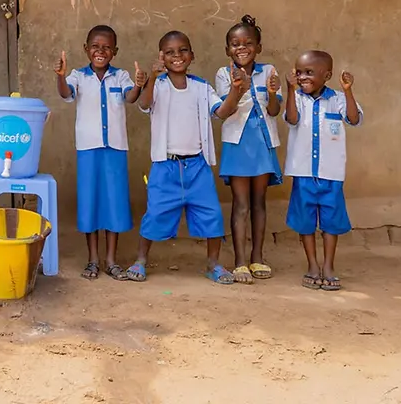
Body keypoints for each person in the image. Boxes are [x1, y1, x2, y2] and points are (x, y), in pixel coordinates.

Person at [125, 30, 247, 284]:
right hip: (166, 165)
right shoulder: (157, 85)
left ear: (192, 55)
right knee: (155, 213)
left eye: (182, 50)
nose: (177, 56)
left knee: (211, 214)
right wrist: (152, 77)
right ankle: (140, 260)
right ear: (161, 57)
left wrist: (235, 92)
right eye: (169, 52)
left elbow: (222, 111)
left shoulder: (202, 87)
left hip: (197, 165)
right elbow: (145, 104)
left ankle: (213, 264)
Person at [55, 25, 146, 280]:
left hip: (115, 148)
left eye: (107, 47)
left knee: (114, 202)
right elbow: (65, 93)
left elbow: (130, 97)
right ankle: (93, 259)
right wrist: (60, 76)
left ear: (114, 51)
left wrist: (139, 85)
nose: (100, 51)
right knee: (90, 202)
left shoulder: (122, 76)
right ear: (86, 49)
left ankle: (111, 260)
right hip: (88, 149)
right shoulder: (77, 76)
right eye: (95, 46)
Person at [283, 50, 362, 291]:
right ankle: (312, 265)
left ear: (326, 75)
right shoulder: (296, 98)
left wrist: (348, 91)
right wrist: (289, 89)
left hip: (331, 174)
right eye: (299, 73)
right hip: (304, 173)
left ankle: (329, 266)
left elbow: (354, 118)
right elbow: (293, 119)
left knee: (330, 223)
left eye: (309, 73)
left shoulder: (337, 99)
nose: (303, 77)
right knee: (306, 223)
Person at [215, 15, 283, 284]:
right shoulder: (223, 73)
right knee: (240, 204)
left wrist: (275, 92)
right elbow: (225, 110)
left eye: (248, 43)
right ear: (227, 50)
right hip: (238, 143)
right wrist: (237, 87)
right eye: (235, 44)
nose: (241, 48)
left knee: (259, 203)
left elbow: (274, 110)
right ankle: (240, 261)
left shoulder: (269, 71)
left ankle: (258, 256)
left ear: (258, 47)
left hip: (263, 144)